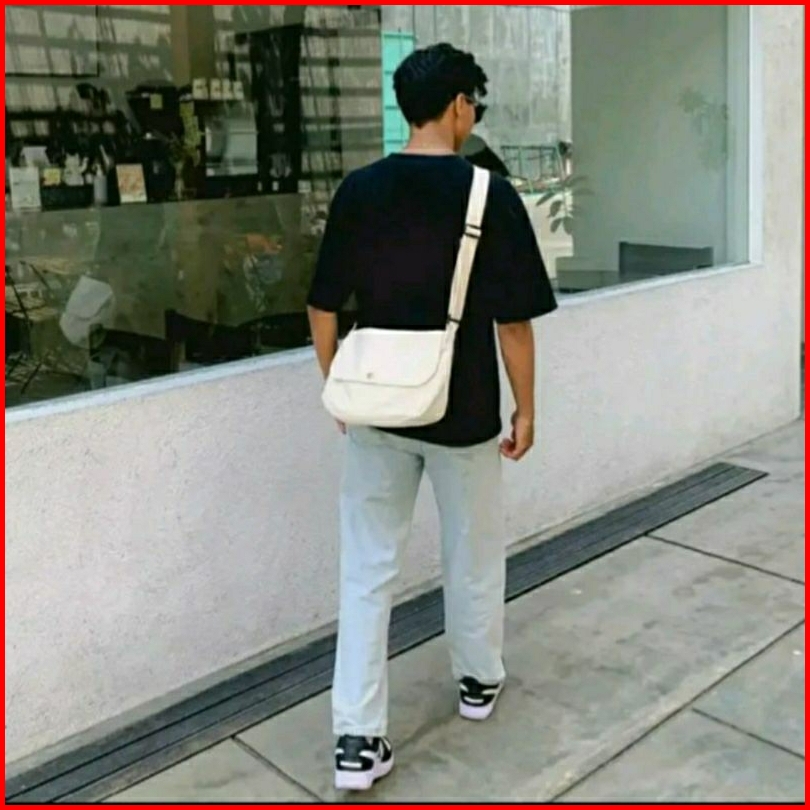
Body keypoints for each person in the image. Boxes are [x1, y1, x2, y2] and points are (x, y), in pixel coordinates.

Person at [307, 43, 557, 792]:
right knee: (472, 551)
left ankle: (357, 740)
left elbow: (323, 305)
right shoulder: (489, 194)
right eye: (472, 101)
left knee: (366, 570)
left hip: (378, 412)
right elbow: (514, 323)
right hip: (465, 410)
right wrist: (527, 408)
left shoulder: (359, 191)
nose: (473, 112)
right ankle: (477, 681)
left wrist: (338, 385)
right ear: (456, 106)